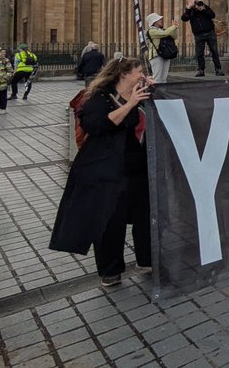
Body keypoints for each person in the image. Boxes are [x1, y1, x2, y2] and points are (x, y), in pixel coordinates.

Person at [49, 58, 153, 287]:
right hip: (106, 169)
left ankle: (147, 259)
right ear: (123, 74)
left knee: (144, 215)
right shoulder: (99, 97)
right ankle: (110, 270)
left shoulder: (142, 92)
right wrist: (130, 104)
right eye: (139, 71)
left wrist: (154, 91)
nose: (142, 74)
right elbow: (96, 126)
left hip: (137, 167)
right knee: (110, 220)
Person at [181, 0, 222, 77]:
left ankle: (218, 69)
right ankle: (201, 70)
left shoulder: (203, 6)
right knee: (199, 53)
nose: (195, 3)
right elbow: (184, 18)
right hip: (198, 34)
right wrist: (188, 8)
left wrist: (203, 9)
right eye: (193, 1)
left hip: (210, 32)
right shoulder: (189, 10)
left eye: (195, 0)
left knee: (214, 51)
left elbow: (212, 15)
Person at [145, 13, 178, 84]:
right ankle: (155, 94)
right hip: (156, 55)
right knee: (157, 78)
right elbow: (165, 33)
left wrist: (174, 28)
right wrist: (173, 27)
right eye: (159, 19)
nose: (161, 20)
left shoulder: (162, 30)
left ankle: (162, 94)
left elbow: (174, 36)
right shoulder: (151, 31)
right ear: (154, 22)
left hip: (165, 54)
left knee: (163, 78)